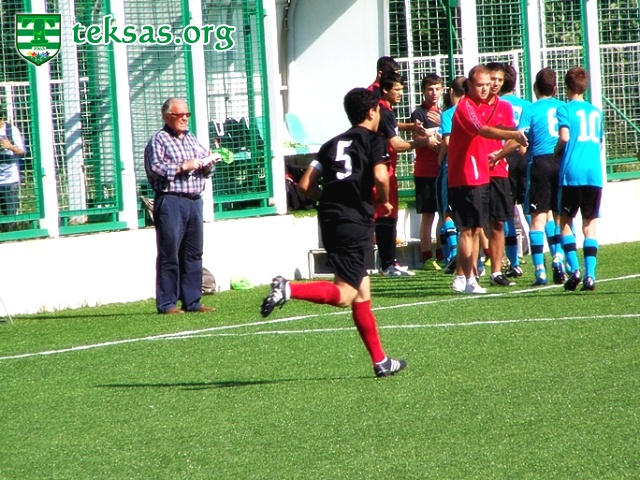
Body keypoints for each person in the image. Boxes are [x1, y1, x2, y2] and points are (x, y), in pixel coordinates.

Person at [260, 88, 407, 378]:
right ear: (371, 112)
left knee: (362, 291)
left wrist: (329, 200)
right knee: (345, 294)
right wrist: (384, 201)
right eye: (379, 111)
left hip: (330, 219)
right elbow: (381, 176)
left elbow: (305, 186)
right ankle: (288, 289)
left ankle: (380, 361)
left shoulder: (330, 144)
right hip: (355, 222)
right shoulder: (374, 140)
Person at [447, 65, 528, 294]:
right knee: (468, 229)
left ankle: (469, 278)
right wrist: (513, 134)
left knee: (475, 228)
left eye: (487, 84)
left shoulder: (490, 106)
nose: (485, 88)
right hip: (465, 175)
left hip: (480, 173)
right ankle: (468, 278)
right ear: (469, 85)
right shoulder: (466, 106)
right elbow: (483, 130)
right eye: (480, 85)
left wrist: (512, 137)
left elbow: (499, 127)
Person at [493, 67, 565, 286]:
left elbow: (520, 140)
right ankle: (560, 257)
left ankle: (525, 266)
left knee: (517, 214)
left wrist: (499, 155)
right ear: (555, 88)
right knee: (553, 215)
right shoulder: (558, 107)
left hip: (521, 161)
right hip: (557, 161)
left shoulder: (503, 105)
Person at [144, 97, 217, 314]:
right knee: (170, 252)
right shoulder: (159, 140)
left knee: (193, 253)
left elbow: (205, 164)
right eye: (180, 115)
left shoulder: (191, 138)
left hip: (194, 201)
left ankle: (192, 301)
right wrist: (183, 167)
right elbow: (155, 168)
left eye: (187, 114)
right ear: (167, 116)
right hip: (171, 200)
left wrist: (208, 164)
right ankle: (167, 303)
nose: (185, 118)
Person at [554, 67, 604, 291]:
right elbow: (598, 143)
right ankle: (590, 275)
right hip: (594, 173)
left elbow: (564, 137)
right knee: (589, 224)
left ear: (566, 86)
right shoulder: (596, 112)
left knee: (565, 221)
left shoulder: (564, 109)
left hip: (572, 173)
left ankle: (574, 269)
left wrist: (556, 152)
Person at [375, 72, 430, 276]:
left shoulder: (384, 110)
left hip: (385, 168)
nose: (400, 93)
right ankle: (387, 264)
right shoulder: (383, 110)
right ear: (385, 89)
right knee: (386, 215)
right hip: (382, 169)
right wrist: (422, 142)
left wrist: (410, 127)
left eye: (401, 89)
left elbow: (392, 127)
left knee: (387, 215)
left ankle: (390, 262)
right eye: (397, 90)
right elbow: (397, 145)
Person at [483, 62, 520, 287]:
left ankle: (496, 272)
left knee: (498, 222)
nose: (495, 84)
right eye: (492, 80)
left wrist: (498, 156)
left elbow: (515, 139)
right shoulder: (472, 106)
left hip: (498, 172)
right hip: (475, 172)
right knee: (473, 225)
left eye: (499, 80)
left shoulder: (504, 107)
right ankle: (469, 272)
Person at [498, 64, 532, 279]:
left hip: (505, 157)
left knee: (508, 211)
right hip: (525, 158)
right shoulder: (527, 105)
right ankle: (539, 256)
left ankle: (514, 261)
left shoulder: (498, 105)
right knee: (532, 210)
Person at [410, 73, 444, 270]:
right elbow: (421, 140)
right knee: (428, 215)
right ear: (423, 91)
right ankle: (426, 257)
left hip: (442, 170)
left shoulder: (444, 113)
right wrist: (436, 142)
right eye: (430, 89)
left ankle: (441, 253)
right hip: (425, 170)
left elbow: (448, 139)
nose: (434, 93)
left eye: (437, 89)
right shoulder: (418, 114)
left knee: (444, 213)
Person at [437, 76, 466, 274]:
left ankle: (455, 253)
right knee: (467, 215)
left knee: (447, 213)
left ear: (450, 92)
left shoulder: (449, 114)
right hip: (472, 169)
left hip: (452, 168)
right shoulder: (476, 111)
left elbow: (447, 143)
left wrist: (440, 158)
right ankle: (476, 260)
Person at [0, 104, 26, 230]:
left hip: (10, 180)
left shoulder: (11, 130)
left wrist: (10, 146)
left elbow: (22, 152)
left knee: (10, 218)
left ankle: (11, 235)